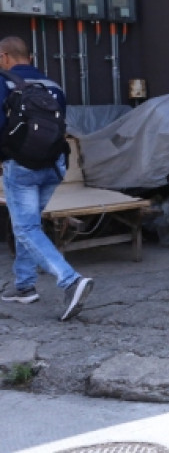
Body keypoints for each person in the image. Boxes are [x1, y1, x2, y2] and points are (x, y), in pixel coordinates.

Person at [0, 36, 93, 321]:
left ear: (4, 56)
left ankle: (70, 281)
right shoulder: (53, 86)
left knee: (26, 228)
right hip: (54, 166)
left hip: (22, 167)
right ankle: (25, 286)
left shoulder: (3, 83)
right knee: (27, 224)